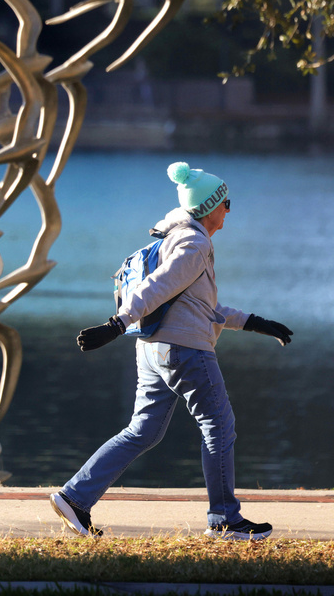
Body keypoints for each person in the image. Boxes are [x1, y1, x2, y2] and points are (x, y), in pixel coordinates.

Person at [51, 161, 293, 540]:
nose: (229, 208)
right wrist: (118, 322)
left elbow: (198, 308)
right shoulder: (195, 244)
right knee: (219, 426)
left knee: (142, 431)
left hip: (153, 350)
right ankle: (225, 520)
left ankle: (75, 497)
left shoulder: (179, 240)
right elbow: (158, 287)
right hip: (185, 351)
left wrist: (254, 322)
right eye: (226, 202)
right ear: (210, 206)